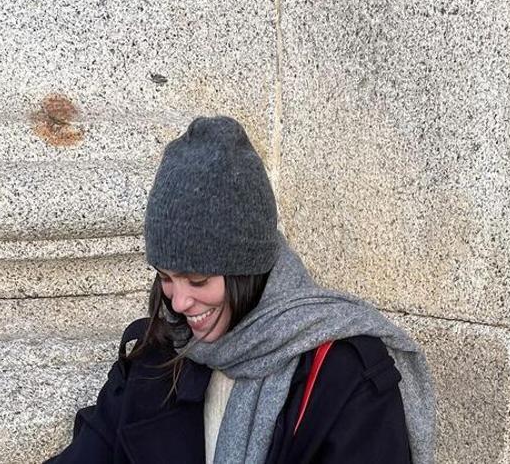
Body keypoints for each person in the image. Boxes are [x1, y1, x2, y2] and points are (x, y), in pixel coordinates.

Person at [45, 116, 435, 463]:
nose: (178, 302)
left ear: (244, 270)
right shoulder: (162, 349)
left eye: (198, 281)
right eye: (165, 277)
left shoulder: (346, 376)